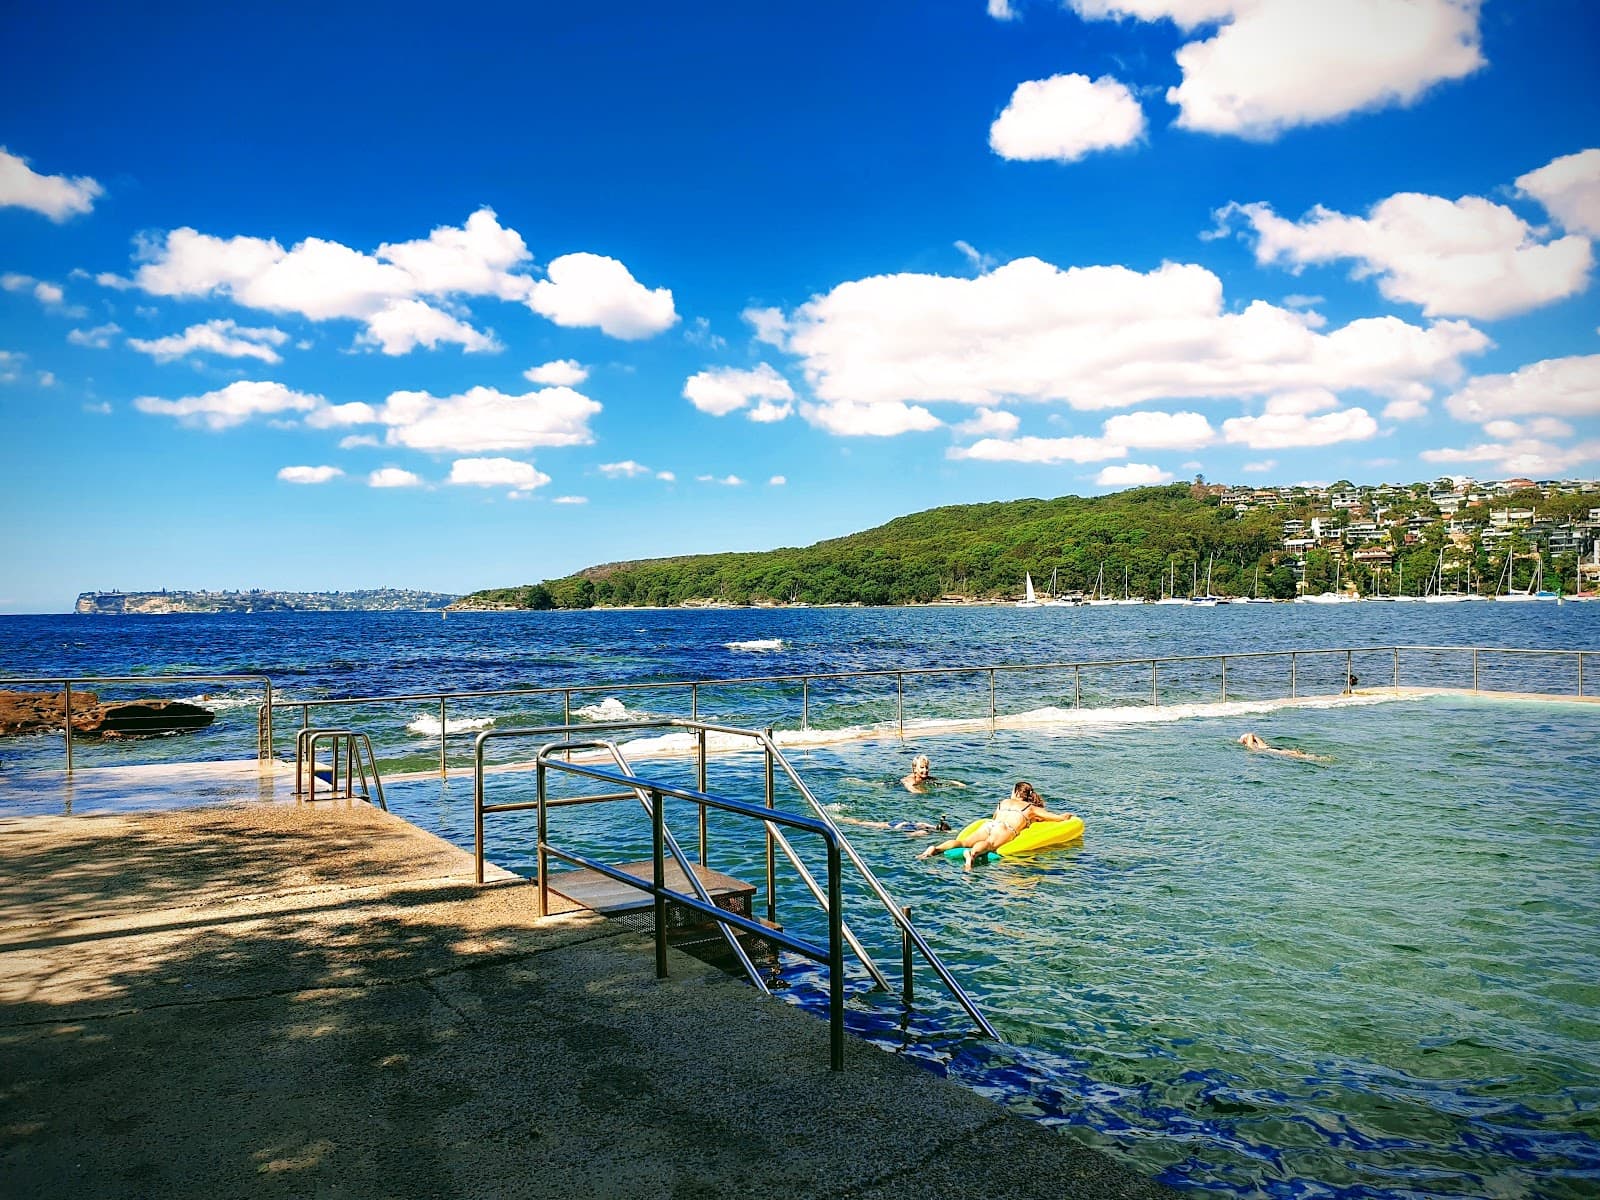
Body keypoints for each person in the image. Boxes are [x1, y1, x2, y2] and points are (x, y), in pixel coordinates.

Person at [918, 781, 1076, 869]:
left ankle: (935, 849)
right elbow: (1057, 818)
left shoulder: (1003, 802)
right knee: (989, 844)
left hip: (990, 824)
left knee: (963, 842)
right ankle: (971, 855)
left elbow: (994, 817)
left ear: (1015, 793)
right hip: (1005, 829)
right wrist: (1067, 816)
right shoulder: (1030, 808)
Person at [832, 812, 952, 836]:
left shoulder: (926, 826)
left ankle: (842, 818)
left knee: (863, 823)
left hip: (900, 823)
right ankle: (840, 819)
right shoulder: (925, 832)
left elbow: (920, 823)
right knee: (863, 824)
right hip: (896, 826)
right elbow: (908, 835)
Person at [1237, 732, 1330, 762]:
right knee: (1297, 754)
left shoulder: (1254, 747)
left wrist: (1243, 739)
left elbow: (1250, 734)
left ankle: (1320, 759)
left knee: (1298, 756)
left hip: (1274, 751)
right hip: (1275, 749)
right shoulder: (1261, 745)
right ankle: (1318, 758)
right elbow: (1253, 736)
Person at [900, 754, 966, 794]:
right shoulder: (910, 780)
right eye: (922, 767)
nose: (925, 770)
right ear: (915, 769)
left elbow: (944, 781)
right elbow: (912, 789)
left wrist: (959, 784)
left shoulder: (927, 778)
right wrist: (925, 794)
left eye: (926, 767)